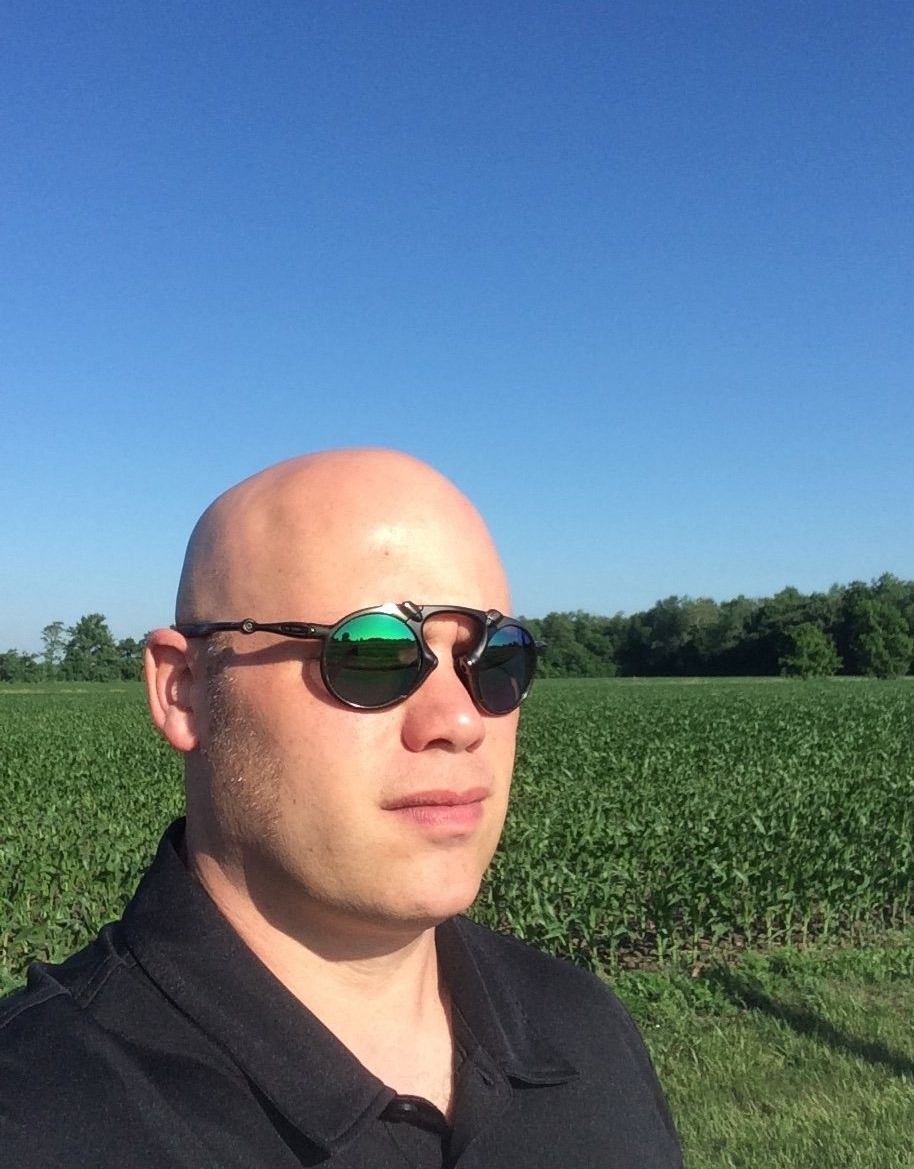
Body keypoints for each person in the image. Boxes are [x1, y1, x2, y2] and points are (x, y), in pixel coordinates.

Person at [0, 449, 682, 1167]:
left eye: (495, 658)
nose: (460, 720)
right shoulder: (37, 1122)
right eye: (372, 652)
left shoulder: (585, 1029)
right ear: (185, 690)